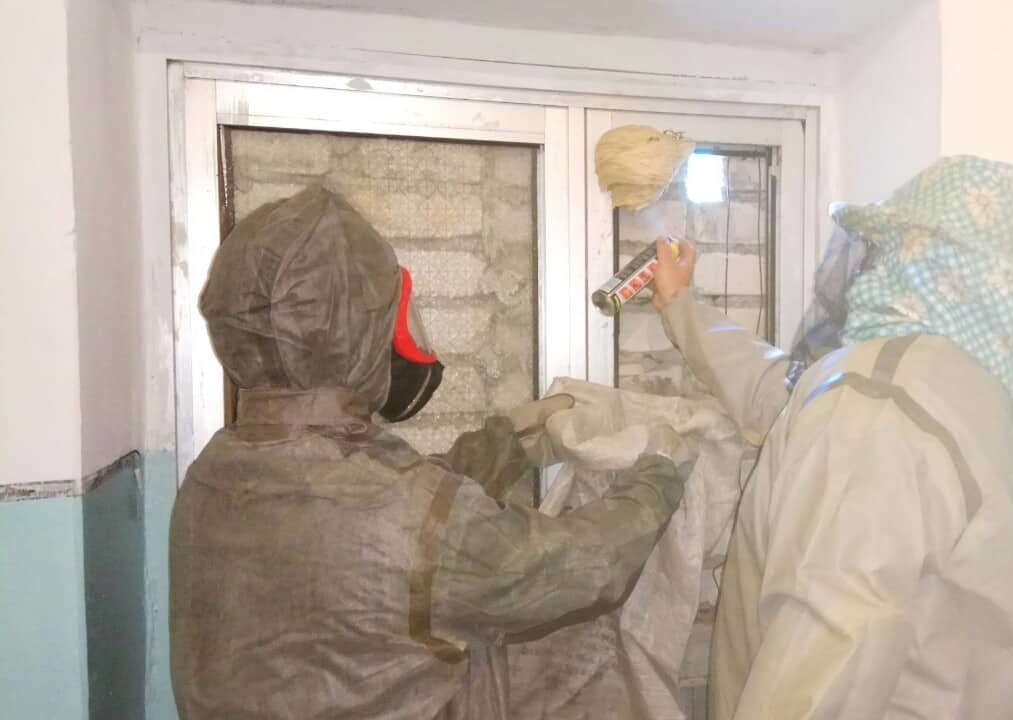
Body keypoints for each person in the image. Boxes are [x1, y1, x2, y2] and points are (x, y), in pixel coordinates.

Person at [169, 186, 687, 719]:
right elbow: (576, 567)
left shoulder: (216, 472)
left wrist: (509, 441)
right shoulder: (399, 513)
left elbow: (399, 522)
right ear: (358, 333)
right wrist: (659, 477)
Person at [651, 156, 1013, 719]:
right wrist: (682, 308)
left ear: (915, 256)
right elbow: (782, 396)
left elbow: (825, 667)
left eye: (883, 247)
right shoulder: (943, 379)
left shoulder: (878, 405)